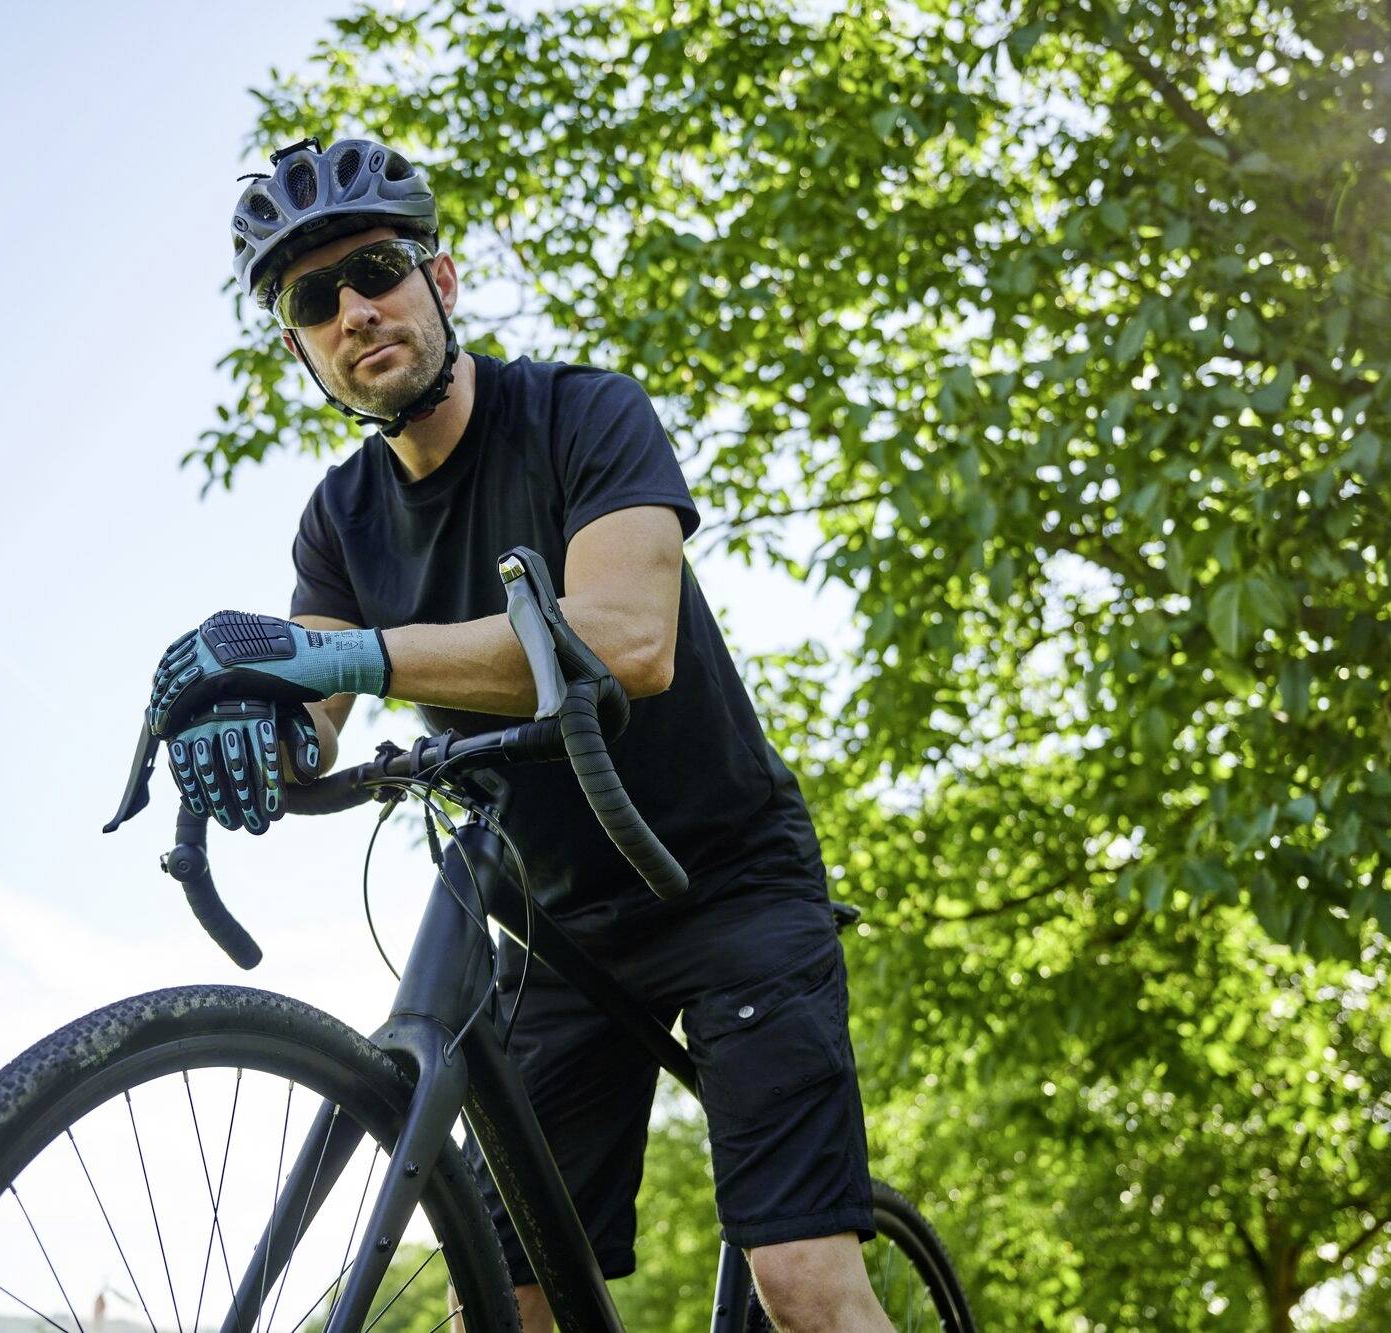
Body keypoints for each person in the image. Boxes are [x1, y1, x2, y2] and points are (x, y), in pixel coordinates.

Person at [146, 135, 894, 1333]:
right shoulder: (339, 521)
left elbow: (626, 641)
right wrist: (242, 726)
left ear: (438, 283)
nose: (354, 311)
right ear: (297, 343)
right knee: (509, 1305)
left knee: (798, 1281)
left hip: (726, 881)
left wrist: (351, 654)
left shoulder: (582, 415)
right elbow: (314, 723)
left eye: (376, 268)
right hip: (552, 922)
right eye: (311, 299)